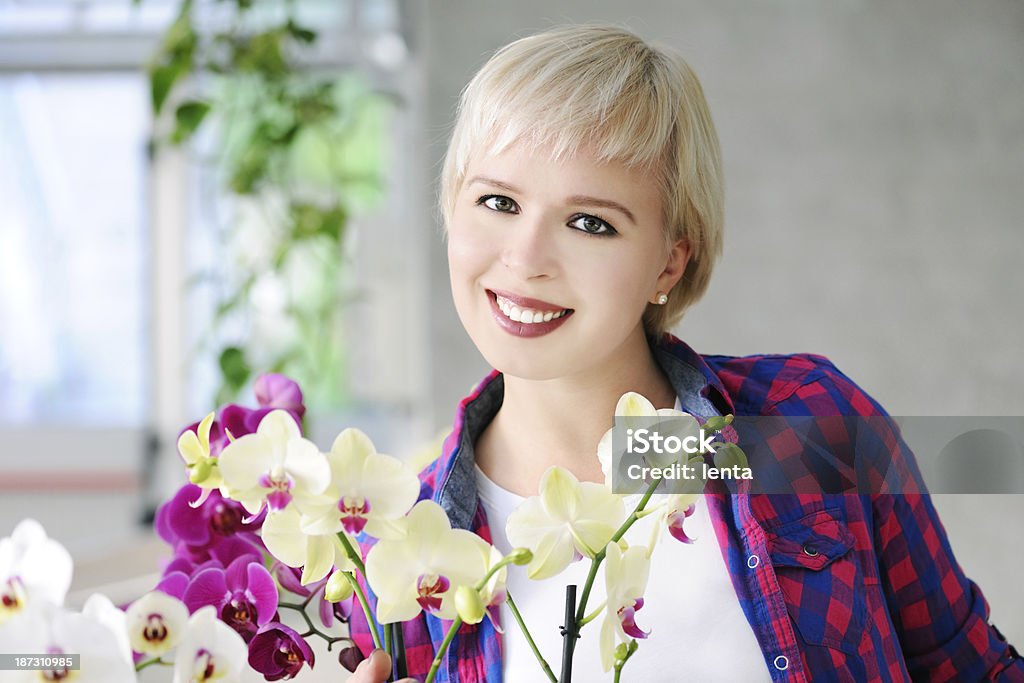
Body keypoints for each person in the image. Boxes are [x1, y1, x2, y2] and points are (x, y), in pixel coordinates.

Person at [346, 24, 1023, 682]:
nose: (525, 259)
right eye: (497, 201)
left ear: (668, 264)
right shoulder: (396, 547)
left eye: (591, 222)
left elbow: (974, 670)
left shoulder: (811, 424)